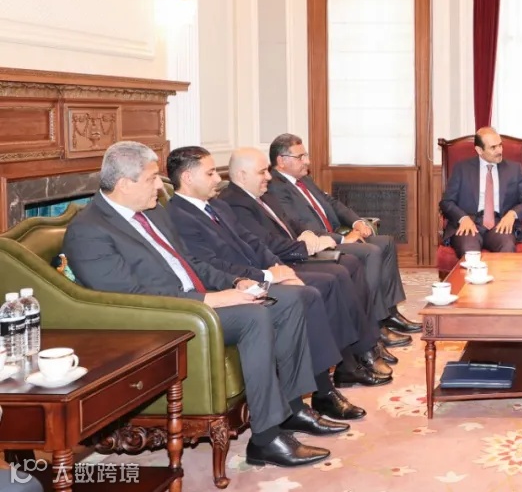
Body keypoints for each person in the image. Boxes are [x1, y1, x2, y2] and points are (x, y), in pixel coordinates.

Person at [62, 142, 338, 468]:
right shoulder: (89, 231)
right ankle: (265, 439)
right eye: (152, 179)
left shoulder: (153, 212)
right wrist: (211, 299)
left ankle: (292, 409)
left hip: (196, 301)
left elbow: (190, 263)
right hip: (167, 317)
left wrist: (236, 282)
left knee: (291, 299)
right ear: (124, 184)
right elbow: (130, 299)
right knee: (254, 317)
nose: (160, 186)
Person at [164, 146, 391, 389]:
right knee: (322, 286)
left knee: (339, 272)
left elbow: (253, 242)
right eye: (210, 173)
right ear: (187, 177)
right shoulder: (178, 215)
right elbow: (211, 265)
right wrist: (268, 275)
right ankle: (328, 383)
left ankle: (353, 359)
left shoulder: (217, 206)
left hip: (266, 269)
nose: (218, 179)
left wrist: (282, 270)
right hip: (240, 282)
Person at [219, 147, 400, 367]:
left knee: (351, 263)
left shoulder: (262, 193)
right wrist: (307, 246)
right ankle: (351, 358)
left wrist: (307, 234)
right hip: (283, 261)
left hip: (296, 250)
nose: (268, 176)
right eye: (262, 172)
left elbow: (292, 223)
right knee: (338, 274)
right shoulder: (235, 203)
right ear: (242, 175)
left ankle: (367, 343)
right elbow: (266, 243)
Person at [265, 133, 420, 346]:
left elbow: (331, 203)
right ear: (282, 161)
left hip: (336, 234)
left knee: (385, 243)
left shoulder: (304, 180)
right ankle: (374, 323)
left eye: (305, 155)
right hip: (319, 244)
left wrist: (357, 222)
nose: (307, 161)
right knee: (371, 252)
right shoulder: (275, 187)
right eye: (301, 157)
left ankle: (389, 313)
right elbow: (298, 225)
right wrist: (343, 239)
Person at [439, 127, 522, 256]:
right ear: (479, 150)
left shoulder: (514, 169)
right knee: (469, 250)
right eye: (493, 147)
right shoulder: (462, 169)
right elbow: (446, 202)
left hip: (500, 223)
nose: (499, 151)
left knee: (507, 245)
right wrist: (462, 218)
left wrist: (512, 214)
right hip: (470, 223)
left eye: (500, 145)